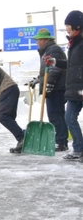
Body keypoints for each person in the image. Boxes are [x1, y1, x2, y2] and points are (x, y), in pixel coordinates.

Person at [43, 10, 83, 161]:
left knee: (69, 118)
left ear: (77, 26)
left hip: (80, 88)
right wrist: (54, 62)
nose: (66, 28)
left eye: (68, 25)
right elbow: (72, 65)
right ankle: (79, 149)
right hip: (75, 90)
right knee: (69, 118)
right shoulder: (75, 44)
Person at [30, 28, 68, 151]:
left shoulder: (53, 49)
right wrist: (37, 80)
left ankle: (61, 141)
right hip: (56, 87)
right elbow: (45, 71)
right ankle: (61, 140)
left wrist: (49, 85)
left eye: (38, 40)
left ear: (45, 40)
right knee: (57, 114)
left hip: (57, 88)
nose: (36, 42)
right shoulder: (48, 50)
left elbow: (55, 68)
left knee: (55, 114)